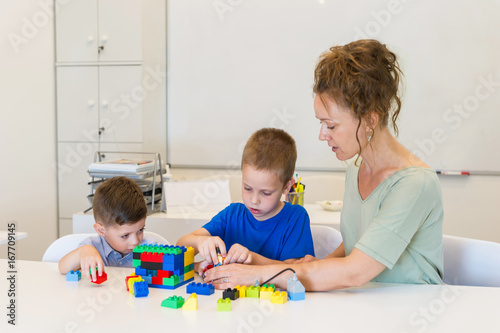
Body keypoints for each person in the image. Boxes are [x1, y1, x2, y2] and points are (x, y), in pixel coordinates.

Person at [204, 39, 444, 290]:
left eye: (331, 125)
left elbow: (355, 272)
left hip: (409, 308)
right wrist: (315, 266)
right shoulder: (357, 168)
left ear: (370, 119)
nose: (322, 135)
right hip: (367, 301)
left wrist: (257, 273)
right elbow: (361, 244)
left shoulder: (415, 184)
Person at [176, 128, 315, 274]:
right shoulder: (232, 215)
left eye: (266, 193)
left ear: (287, 186)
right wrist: (199, 242)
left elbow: (297, 271)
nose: (254, 200)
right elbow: (180, 247)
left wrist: (252, 259)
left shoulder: (295, 217)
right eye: (247, 188)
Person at [59, 176, 156, 282]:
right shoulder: (91, 247)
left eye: (140, 230)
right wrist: (83, 251)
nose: (135, 241)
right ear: (101, 230)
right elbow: (62, 268)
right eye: (125, 235)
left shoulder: (151, 249)